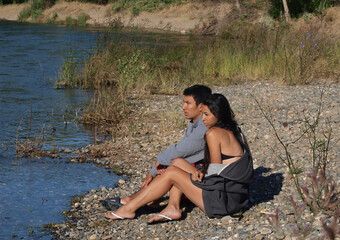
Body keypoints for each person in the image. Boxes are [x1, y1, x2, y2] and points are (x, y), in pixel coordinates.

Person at [104, 93, 253, 222]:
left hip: (221, 202)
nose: (203, 119)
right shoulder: (235, 131)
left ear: (218, 114)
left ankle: (129, 209)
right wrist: (198, 172)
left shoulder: (213, 133)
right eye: (203, 114)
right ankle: (172, 207)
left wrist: (192, 177)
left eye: (207, 114)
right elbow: (220, 170)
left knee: (172, 173)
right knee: (177, 162)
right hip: (234, 197)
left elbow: (214, 177)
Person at [100, 85, 212, 209]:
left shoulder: (204, 126)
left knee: (171, 165)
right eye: (183, 102)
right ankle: (141, 199)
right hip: (201, 171)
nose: (183, 107)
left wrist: (155, 168)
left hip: (208, 179)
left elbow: (181, 150)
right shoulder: (195, 125)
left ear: (201, 106)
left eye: (188, 103)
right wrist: (156, 169)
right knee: (168, 166)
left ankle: (133, 202)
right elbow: (183, 152)